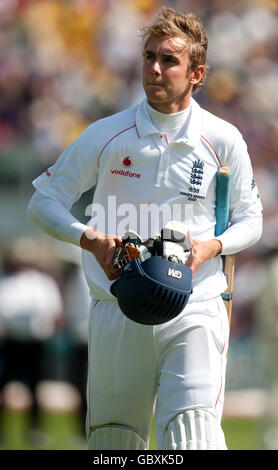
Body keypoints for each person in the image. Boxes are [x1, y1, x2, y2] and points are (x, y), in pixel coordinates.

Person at [27, 7, 263, 450]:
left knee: (194, 438)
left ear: (197, 73)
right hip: (117, 306)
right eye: (148, 56)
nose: (154, 69)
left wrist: (211, 247)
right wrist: (90, 239)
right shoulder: (106, 134)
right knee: (115, 443)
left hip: (196, 305)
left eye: (169, 60)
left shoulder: (224, 137)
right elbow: (42, 203)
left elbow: (252, 220)